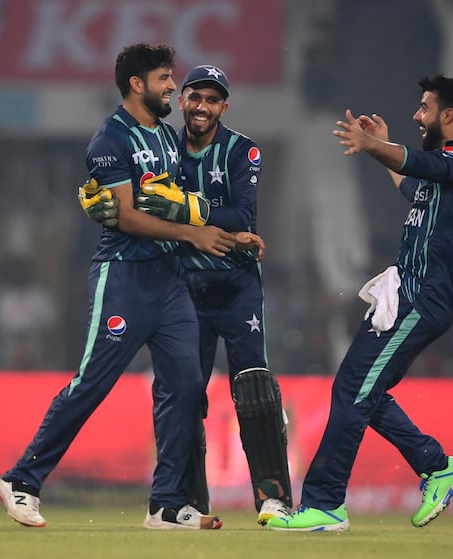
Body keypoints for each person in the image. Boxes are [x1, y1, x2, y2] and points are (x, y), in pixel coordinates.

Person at [0, 43, 262, 531]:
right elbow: (128, 217)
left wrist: (226, 232)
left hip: (170, 280)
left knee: (186, 386)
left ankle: (165, 503)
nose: (171, 87)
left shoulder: (163, 135)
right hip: (123, 277)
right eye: (164, 78)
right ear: (137, 83)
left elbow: (170, 203)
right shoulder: (109, 140)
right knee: (93, 383)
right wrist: (193, 232)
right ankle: (22, 480)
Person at [267, 75, 453, 531]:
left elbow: (417, 164)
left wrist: (373, 145)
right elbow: (415, 185)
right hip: (409, 294)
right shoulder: (446, 169)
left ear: (448, 116)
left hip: (422, 299)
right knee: (358, 390)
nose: (417, 115)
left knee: (354, 390)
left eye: (425, 108)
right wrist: (384, 147)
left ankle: (327, 504)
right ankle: (436, 465)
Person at [83, 65, 293, 526]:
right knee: (183, 393)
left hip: (236, 287)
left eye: (212, 100)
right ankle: (185, 500)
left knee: (253, 386)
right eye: (195, 97)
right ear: (182, 101)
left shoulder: (243, 149)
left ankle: (273, 499)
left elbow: (244, 214)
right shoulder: (160, 145)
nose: (202, 107)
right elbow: (131, 201)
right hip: (181, 287)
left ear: (224, 107)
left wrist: (187, 208)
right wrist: (102, 204)